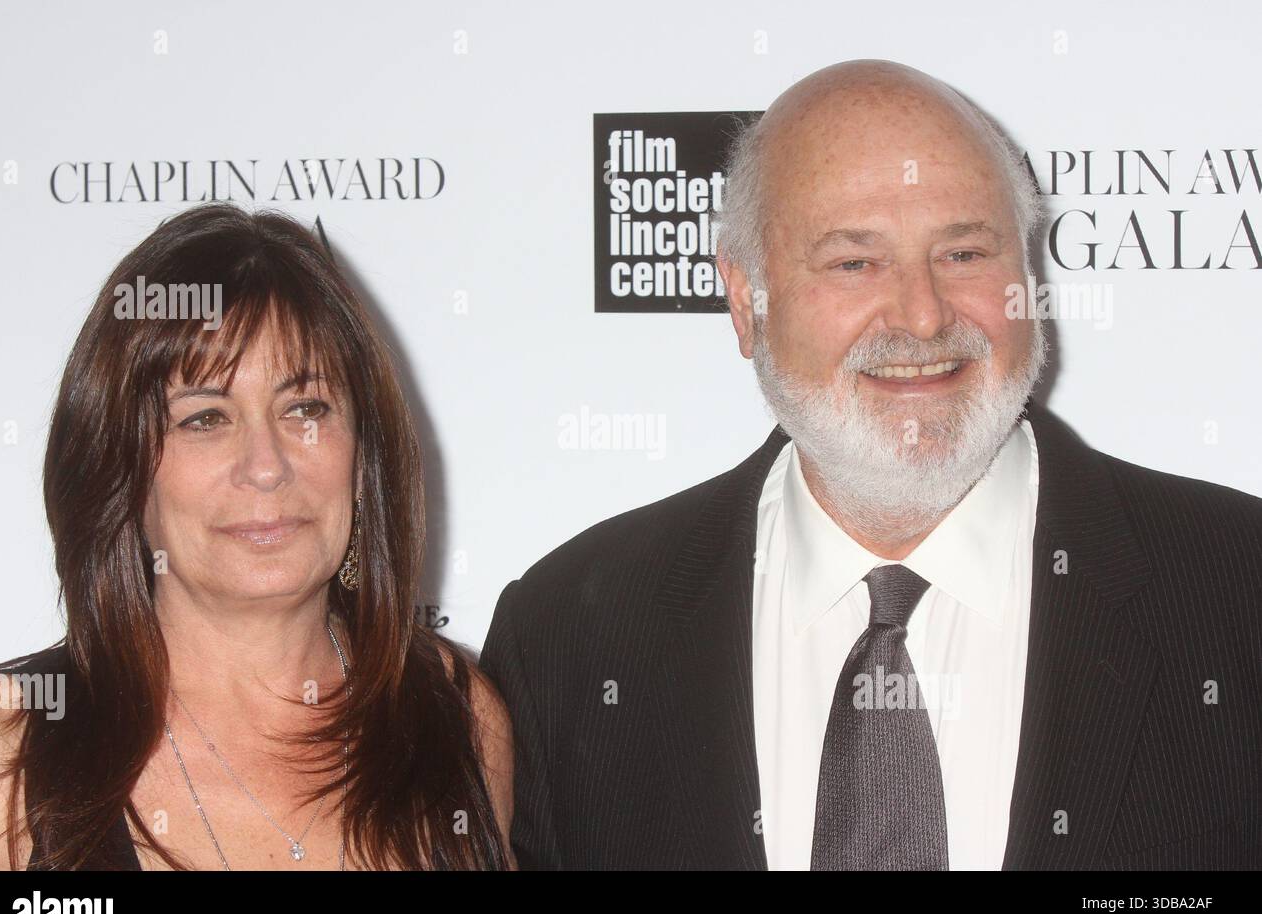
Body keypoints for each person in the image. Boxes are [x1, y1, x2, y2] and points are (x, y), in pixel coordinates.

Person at [479, 60, 1262, 870]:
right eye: (855, 262)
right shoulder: (570, 638)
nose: (923, 316)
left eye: (964, 252)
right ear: (747, 301)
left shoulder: (1239, 592)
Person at [0, 203, 515, 870]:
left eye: (305, 408)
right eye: (205, 418)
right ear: (120, 468)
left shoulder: (453, 715)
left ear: (362, 455)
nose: (267, 465)